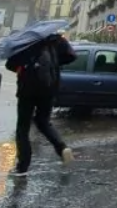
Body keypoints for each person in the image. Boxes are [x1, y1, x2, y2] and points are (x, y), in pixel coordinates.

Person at [6, 34, 76, 176]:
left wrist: (22, 68)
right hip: (49, 88)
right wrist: (55, 64)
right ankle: (62, 148)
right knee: (43, 122)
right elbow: (72, 56)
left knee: (23, 128)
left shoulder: (25, 42)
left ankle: (23, 166)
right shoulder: (56, 40)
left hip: (27, 90)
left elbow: (10, 64)